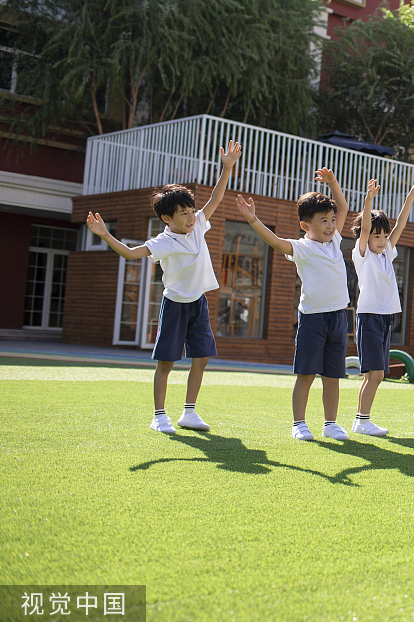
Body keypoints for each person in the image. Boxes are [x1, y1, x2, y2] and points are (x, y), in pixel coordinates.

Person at [86, 141, 241, 434]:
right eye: (184, 213)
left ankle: (189, 413)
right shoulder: (164, 241)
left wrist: (227, 168)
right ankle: (159, 416)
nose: (191, 217)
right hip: (175, 305)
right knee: (167, 362)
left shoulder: (198, 225)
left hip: (198, 303)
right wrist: (105, 234)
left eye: (192, 210)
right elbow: (130, 253)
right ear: (167, 218)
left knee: (202, 357)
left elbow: (217, 197)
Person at [234, 168, 351, 442]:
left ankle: (331, 424)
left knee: (332, 376)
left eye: (332, 220)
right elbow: (275, 242)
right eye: (323, 221)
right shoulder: (303, 247)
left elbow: (343, 207)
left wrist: (333, 182)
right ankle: (299, 424)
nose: (330, 225)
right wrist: (253, 219)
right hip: (313, 319)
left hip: (338, 318)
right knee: (306, 374)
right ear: (305, 226)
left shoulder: (334, 241)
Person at [350, 177, 414, 437]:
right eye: (377, 236)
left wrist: (410, 197)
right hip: (369, 317)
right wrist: (368, 200)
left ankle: (361, 421)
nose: (382, 240)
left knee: (376, 375)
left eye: (384, 235)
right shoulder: (362, 255)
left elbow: (401, 224)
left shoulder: (387, 253)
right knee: (375, 374)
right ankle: (362, 422)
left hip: (385, 318)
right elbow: (364, 229)